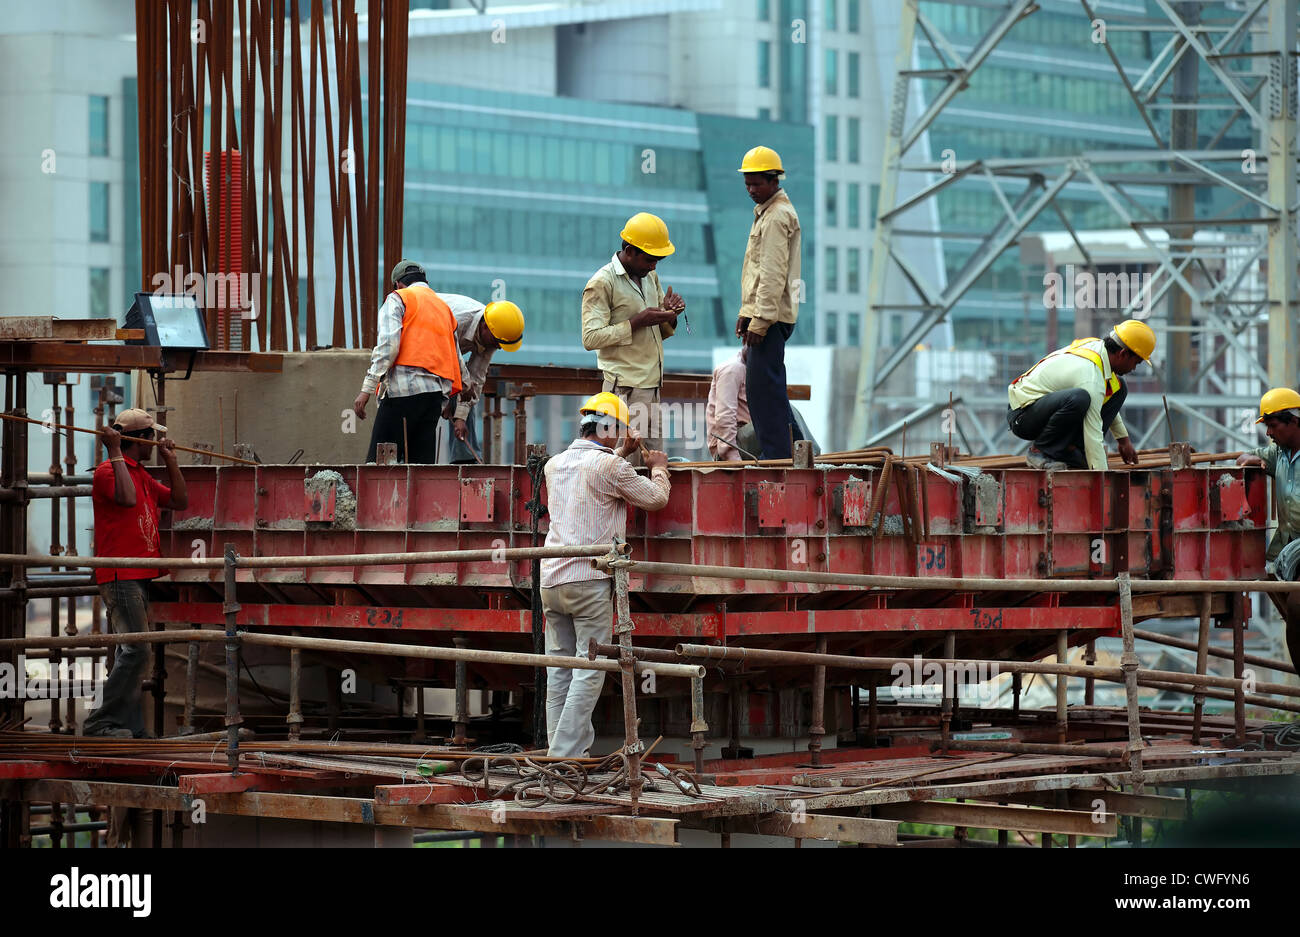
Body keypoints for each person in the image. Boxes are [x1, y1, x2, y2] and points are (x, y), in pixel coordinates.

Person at [539, 392, 672, 758]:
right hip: (590, 579)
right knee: (589, 668)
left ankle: (561, 751)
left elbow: (594, 476)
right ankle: (563, 756)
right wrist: (659, 467)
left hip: (551, 578)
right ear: (608, 428)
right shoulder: (610, 468)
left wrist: (621, 453)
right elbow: (655, 498)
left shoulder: (554, 464)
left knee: (560, 667)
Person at [82, 409, 188, 739]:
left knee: (137, 651)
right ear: (138, 440)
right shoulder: (107, 471)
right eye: (152, 438)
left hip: (138, 573)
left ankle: (130, 726)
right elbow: (126, 501)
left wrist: (170, 460)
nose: (155, 442)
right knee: (136, 650)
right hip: (120, 573)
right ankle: (100, 722)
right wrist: (114, 451)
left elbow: (180, 501)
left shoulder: (139, 473)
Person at [581, 212, 685, 464]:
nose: (653, 266)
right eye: (650, 259)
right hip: (624, 389)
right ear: (629, 250)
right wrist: (637, 321)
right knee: (623, 464)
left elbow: (655, 331)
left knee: (652, 463)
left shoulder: (650, 277)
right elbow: (590, 338)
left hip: (651, 386)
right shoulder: (602, 283)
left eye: (658, 261)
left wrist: (670, 315)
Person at [1006, 319, 1156, 470]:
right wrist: (1101, 475)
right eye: (1136, 362)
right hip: (1023, 415)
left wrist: (1123, 441)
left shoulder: (1099, 350)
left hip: (1045, 409)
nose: (1134, 368)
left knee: (1119, 387)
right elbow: (1093, 429)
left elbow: (1101, 400)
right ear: (1123, 354)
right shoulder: (1091, 376)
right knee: (1079, 398)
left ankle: (1071, 449)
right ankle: (1039, 451)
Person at [352, 260, 463, 463]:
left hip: (403, 393)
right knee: (420, 469)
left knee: (379, 465)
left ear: (398, 284)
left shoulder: (398, 299)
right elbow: (457, 358)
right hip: (433, 398)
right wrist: (457, 395)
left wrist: (367, 388)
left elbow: (388, 346)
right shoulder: (443, 308)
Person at [736, 145, 804, 460]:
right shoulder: (767, 212)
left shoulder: (776, 216)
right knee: (768, 388)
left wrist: (759, 322)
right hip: (766, 315)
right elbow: (757, 273)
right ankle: (797, 450)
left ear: (774, 180)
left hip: (772, 318)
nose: (751, 189)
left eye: (757, 183)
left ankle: (778, 457)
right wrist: (746, 314)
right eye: (748, 183)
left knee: (764, 393)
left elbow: (773, 275)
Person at [1237, 387, 1300, 667]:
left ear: (1294, 421)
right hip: (1289, 550)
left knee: (1297, 610)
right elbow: (1243, 457)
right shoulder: (1279, 454)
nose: (1269, 433)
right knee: (1294, 616)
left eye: (1273, 426)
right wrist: (1254, 460)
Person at [440, 297, 525, 464]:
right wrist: (445, 400)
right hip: (422, 352)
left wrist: (460, 418)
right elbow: (443, 360)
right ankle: (413, 458)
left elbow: (475, 377)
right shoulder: (458, 320)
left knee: (467, 391)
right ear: (485, 327)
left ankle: (464, 460)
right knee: (436, 396)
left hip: (445, 358)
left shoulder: (493, 334)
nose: (499, 347)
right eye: (497, 342)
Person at [707, 349, 756, 461]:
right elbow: (725, 416)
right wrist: (732, 458)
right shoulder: (733, 369)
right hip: (732, 447)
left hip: (746, 440)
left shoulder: (754, 369)